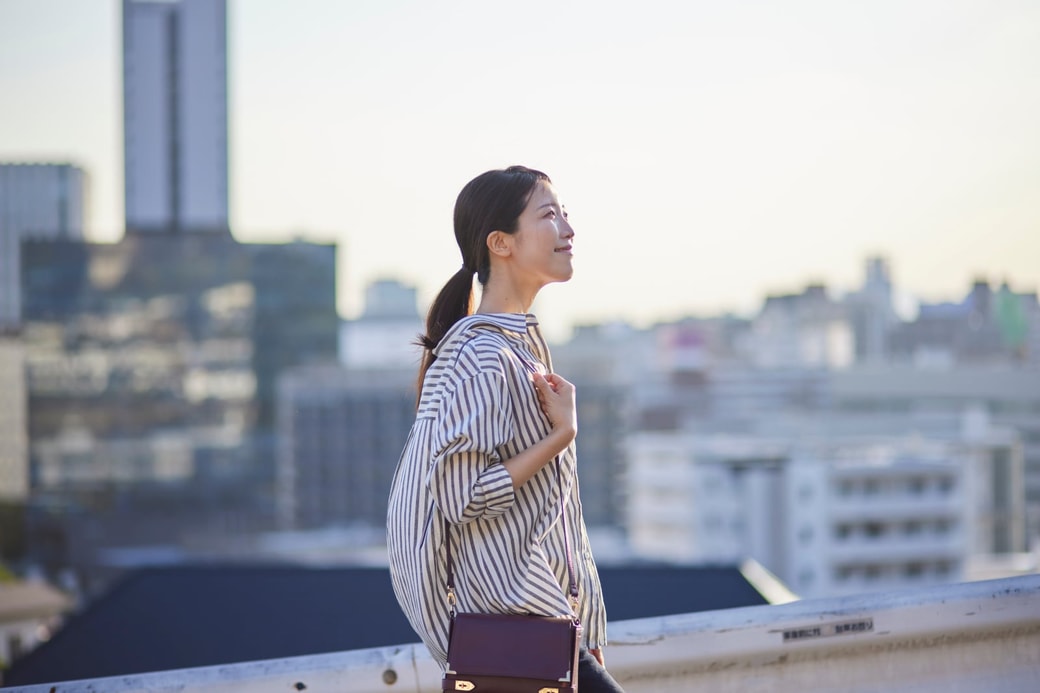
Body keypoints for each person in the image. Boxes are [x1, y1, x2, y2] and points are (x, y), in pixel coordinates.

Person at [387, 165, 624, 691]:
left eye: (565, 214)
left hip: (545, 631)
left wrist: (583, 626)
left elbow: (549, 518)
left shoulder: (516, 349)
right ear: (501, 243)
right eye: (549, 215)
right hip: (516, 631)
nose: (568, 229)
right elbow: (460, 496)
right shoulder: (481, 355)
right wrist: (560, 436)